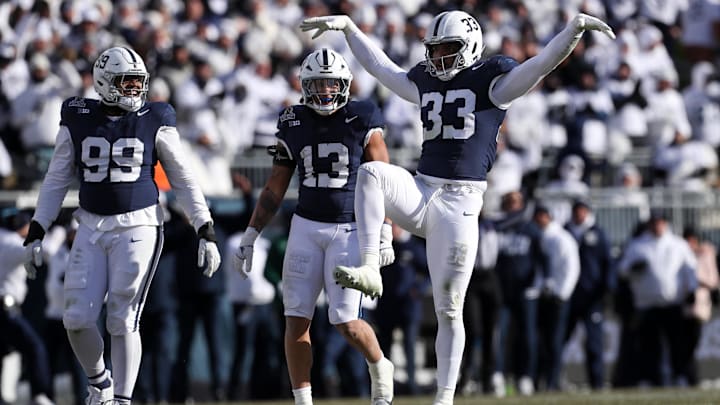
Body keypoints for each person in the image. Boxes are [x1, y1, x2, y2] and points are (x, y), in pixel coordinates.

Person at [300, 10, 615, 404]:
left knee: (449, 308)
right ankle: (371, 264)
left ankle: (444, 398)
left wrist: (572, 31)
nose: (440, 57)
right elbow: (383, 68)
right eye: (436, 49)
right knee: (372, 174)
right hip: (422, 189)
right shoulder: (428, 80)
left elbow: (539, 66)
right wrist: (349, 28)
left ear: (471, 47)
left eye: (449, 48)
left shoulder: (493, 83)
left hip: (459, 204)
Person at [21, 46, 222, 405]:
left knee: (123, 314)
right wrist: (39, 227)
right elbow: (55, 178)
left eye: (137, 82)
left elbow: (183, 177)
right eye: (126, 82)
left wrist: (203, 226)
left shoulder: (156, 116)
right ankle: (100, 383)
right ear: (103, 82)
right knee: (77, 318)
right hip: (90, 224)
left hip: (139, 225)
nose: (133, 89)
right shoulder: (78, 115)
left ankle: (122, 400)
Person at [233, 48, 394, 405]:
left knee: (345, 321)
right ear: (305, 86)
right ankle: (302, 401)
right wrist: (251, 234)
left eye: (331, 84)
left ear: (345, 85)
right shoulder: (292, 120)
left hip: (350, 228)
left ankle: (380, 364)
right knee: (296, 319)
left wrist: (384, 230)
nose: (324, 92)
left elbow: (384, 176)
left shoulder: (362, 114)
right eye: (317, 84)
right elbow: (275, 185)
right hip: (306, 226)